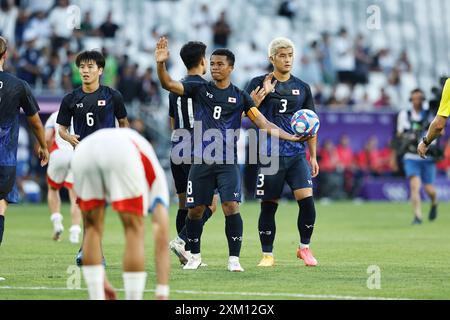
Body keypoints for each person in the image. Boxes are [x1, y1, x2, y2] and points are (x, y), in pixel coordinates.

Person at [156, 36, 302, 271]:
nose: (214, 68)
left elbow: (263, 123)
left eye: (220, 64)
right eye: (212, 64)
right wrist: (161, 64)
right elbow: (169, 85)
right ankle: (194, 256)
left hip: (227, 162)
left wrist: (291, 136)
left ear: (231, 67)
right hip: (200, 160)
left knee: (230, 206)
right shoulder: (200, 88)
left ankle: (234, 259)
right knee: (194, 210)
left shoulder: (240, 97)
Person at [246, 37, 320, 267]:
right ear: (272, 58)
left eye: (290, 56)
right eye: (282, 56)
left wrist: (313, 156)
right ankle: (267, 254)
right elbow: (243, 115)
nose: (287, 60)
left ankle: (304, 248)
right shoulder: (258, 83)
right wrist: (262, 96)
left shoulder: (302, 87)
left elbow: (312, 125)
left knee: (307, 202)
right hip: (269, 155)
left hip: (297, 154)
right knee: (269, 205)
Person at [71, 128, 170, 300]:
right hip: (122, 152)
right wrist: (162, 290)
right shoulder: (159, 182)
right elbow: (161, 237)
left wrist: (101, 280)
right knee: (134, 229)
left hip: (83, 151)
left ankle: (97, 293)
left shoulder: (143, 152)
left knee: (92, 227)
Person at [56, 49, 129, 264]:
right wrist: (69, 138)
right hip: (82, 158)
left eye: (89, 67)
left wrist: (120, 142)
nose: (85, 71)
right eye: (82, 67)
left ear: (100, 70)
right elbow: (61, 127)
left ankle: (90, 249)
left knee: (98, 204)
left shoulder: (112, 95)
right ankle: (91, 250)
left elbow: (124, 122)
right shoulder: (71, 98)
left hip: (106, 158)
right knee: (88, 203)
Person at [167, 41, 218, 265]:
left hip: (177, 146)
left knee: (183, 203)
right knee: (209, 204)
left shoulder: (174, 88)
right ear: (202, 61)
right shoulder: (206, 88)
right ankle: (181, 240)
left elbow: (172, 120)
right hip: (197, 148)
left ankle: (189, 255)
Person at [0, 36, 49, 248]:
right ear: (5, 54)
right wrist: (44, 146)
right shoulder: (18, 85)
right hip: (5, 160)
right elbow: (36, 123)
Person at [398, 89, 438, 224]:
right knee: (414, 185)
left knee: (429, 189)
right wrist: (409, 136)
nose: (417, 101)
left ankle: (434, 202)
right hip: (411, 154)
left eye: (420, 98)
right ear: (411, 100)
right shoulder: (405, 114)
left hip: (427, 154)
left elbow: (439, 130)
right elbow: (400, 133)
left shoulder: (430, 114)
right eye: (414, 98)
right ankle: (418, 216)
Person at [44, 111, 81, 243]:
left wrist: (46, 153)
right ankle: (75, 232)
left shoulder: (54, 115)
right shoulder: (81, 112)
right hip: (76, 153)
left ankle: (57, 222)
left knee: (53, 188)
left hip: (58, 153)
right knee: (75, 195)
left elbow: (47, 138)